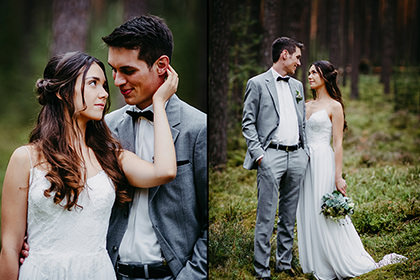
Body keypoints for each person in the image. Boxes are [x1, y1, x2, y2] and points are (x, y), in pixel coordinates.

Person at [0, 51, 178, 280]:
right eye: (93, 83)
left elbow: (165, 171)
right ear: (63, 93)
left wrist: (159, 104)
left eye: (104, 85)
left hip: (96, 272)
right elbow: (10, 248)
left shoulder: (111, 157)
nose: (104, 94)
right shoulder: (26, 158)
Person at [102, 15, 207, 280]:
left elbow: (212, 222)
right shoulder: (106, 127)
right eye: (113, 70)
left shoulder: (198, 128)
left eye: (128, 71)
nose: (116, 81)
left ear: (161, 66)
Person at [297, 60, 407, 280]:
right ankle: (317, 261)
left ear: (325, 77)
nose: (309, 76)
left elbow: (337, 143)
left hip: (323, 162)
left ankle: (340, 259)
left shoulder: (335, 106)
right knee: (308, 209)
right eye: (308, 73)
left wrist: (338, 177)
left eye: (314, 73)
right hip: (304, 163)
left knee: (324, 210)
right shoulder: (305, 105)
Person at [242, 37, 309, 279]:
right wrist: (260, 156)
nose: (299, 63)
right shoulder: (257, 83)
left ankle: (284, 263)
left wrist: (306, 151)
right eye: (297, 57)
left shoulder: (298, 87)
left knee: (289, 215)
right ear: (284, 55)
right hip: (271, 156)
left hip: (297, 155)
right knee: (266, 216)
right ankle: (261, 270)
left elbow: (302, 121)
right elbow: (247, 123)